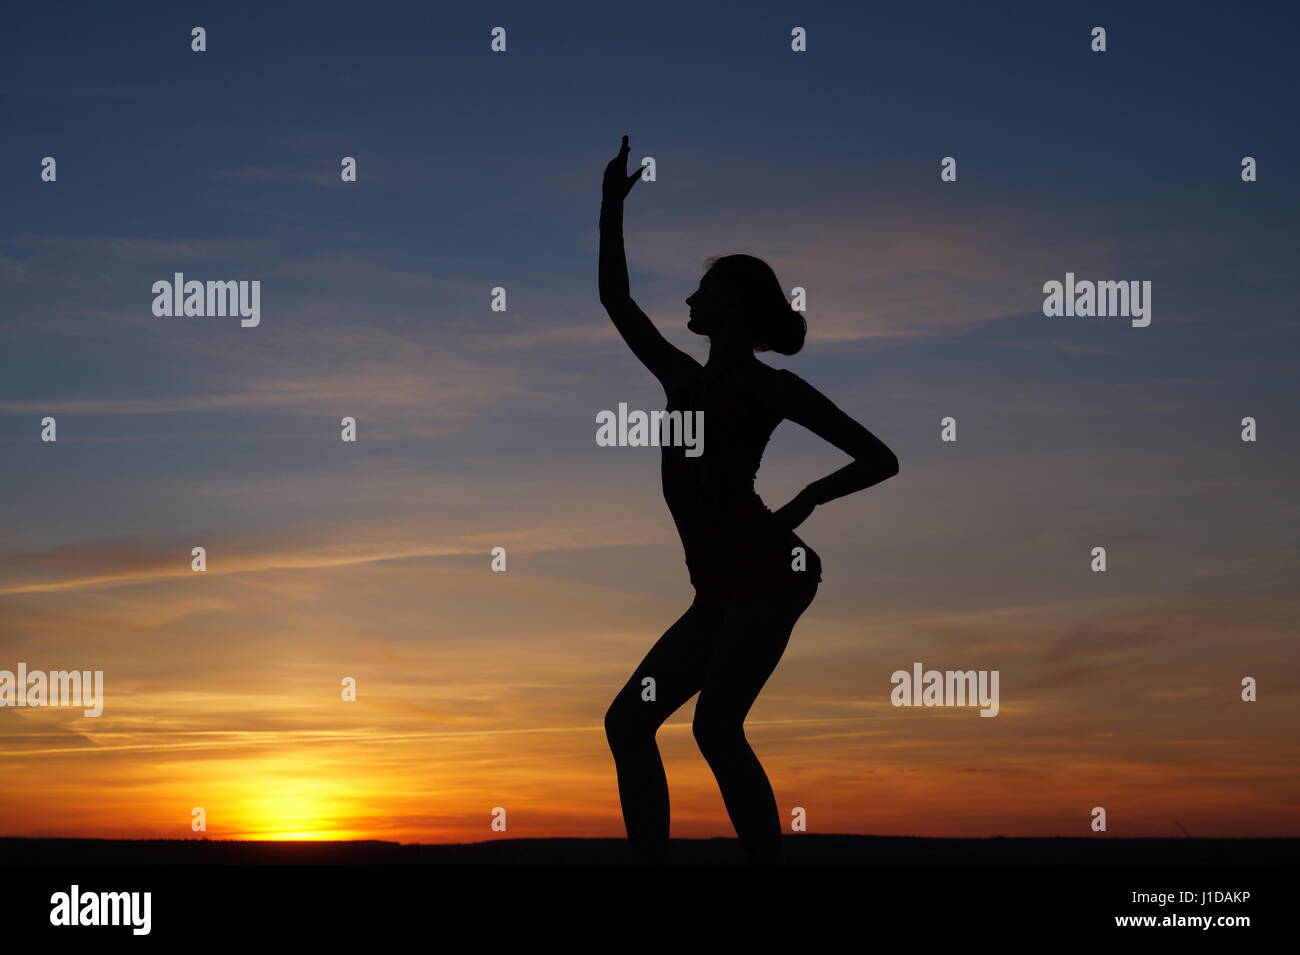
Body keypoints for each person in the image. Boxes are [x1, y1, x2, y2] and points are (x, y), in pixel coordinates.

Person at [599, 136, 899, 864]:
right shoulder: (682, 380)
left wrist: (803, 503)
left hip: (770, 574)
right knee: (627, 722)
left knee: (714, 728)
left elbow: (879, 458)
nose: (689, 301)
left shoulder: (773, 388)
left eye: (702, 292)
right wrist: (611, 206)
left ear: (732, 302)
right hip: (718, 588)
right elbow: (616, 298)